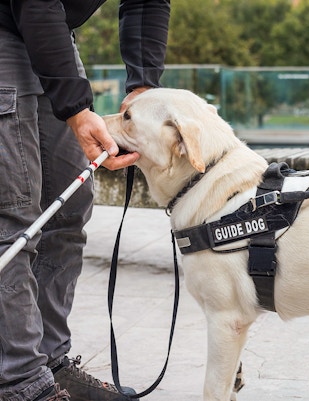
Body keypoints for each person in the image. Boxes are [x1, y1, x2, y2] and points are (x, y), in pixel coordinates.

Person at [0, 1, 171, 400]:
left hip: (54, 34)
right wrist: (76, 109)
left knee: (68, 208)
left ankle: (49, 362)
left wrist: (143, 84)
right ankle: (20, 383)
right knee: (15, 217)